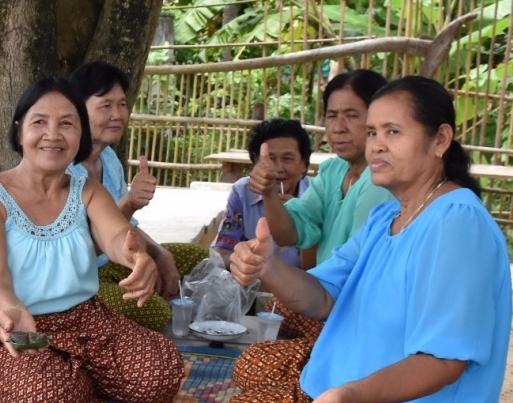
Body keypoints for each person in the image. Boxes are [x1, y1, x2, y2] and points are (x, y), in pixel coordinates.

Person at [218, 76, 512, 403]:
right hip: (363, 392)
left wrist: (351, 395)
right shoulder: (388, 215)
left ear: (440, 139)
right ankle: (332, 400)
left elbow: (444, 362)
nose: (376, 144)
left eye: (394, 132)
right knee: (256, 364)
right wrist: (267, 264)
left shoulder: (455, 223)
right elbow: (321, 299)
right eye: (373, 132)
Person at [0, 77, 184, 403]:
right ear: (20, 130)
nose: (53, 134)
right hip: (0, 328)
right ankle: (71, 379)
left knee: (160, 376)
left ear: (81, 135)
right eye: (40, 122)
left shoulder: (87, 190)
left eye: (67, 123)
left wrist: (137, 258)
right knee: (46, 398)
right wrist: (10, 311)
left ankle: (74, 375)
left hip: (83, 320)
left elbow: (116, 237)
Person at [67, 61, 208, 332]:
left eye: (122, 104)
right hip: (83, 280)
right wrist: (129, 203)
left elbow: (128, 230)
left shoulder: (108, 159)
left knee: (197, 257)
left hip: (118, 263)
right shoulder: (63, 168)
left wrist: (161, 254)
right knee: (153, 311)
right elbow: (81, 247)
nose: (118, 114)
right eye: (105, 105)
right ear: (77, 110)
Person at [253, 70, 394, 338]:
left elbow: (355, 273)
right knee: (275, 311)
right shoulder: (333, 171)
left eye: (351, 115)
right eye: (332, 115)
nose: (338, 127)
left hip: (352, 311)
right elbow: (288, 234)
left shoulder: (380, 183)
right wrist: (269, 191)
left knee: (261, 359)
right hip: (326, 298)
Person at [212, 119, 314, 269]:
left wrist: (297, 216)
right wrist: (246, 259)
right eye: (270, 159)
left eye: (287, 158)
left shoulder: (316, 196)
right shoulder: (242, 193)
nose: (279, 168)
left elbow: (320, 264)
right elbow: (221, 254)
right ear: (255, 162)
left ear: (304, 163)